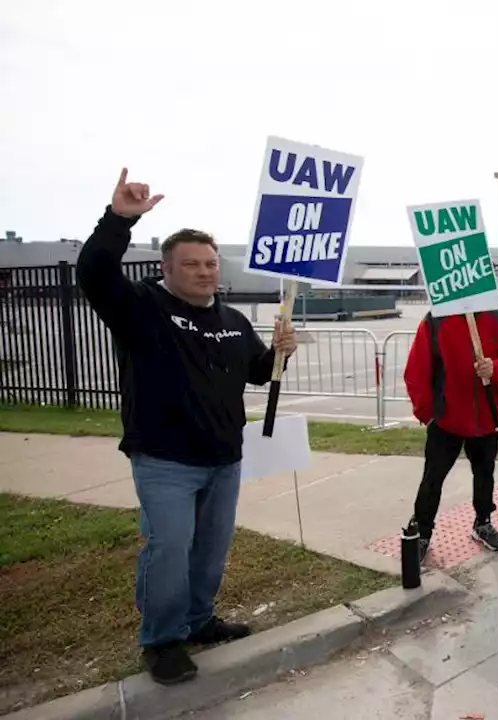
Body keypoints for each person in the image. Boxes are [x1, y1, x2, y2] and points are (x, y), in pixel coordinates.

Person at [77, 169, 297, 685]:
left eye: (211, 264)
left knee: (211, 548)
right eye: (192, 264)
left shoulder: (233, 320)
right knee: (169, 546)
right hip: (164, 459)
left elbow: (258, 373)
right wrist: (118, 220)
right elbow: (93, 273)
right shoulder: (142, 309)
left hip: (224, 457)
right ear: (166, 268)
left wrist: (279, 353)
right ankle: (163, 639)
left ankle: (199, 620)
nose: (204, 272)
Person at [403, 309, 498, 556]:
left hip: (486, 418)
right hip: (446, 419)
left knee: (484, 474)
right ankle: (422, 530)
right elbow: (416, 369)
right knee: (433, 478)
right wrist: (427, 413)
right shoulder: (436, 321)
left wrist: (496, 367)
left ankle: (483, 522)